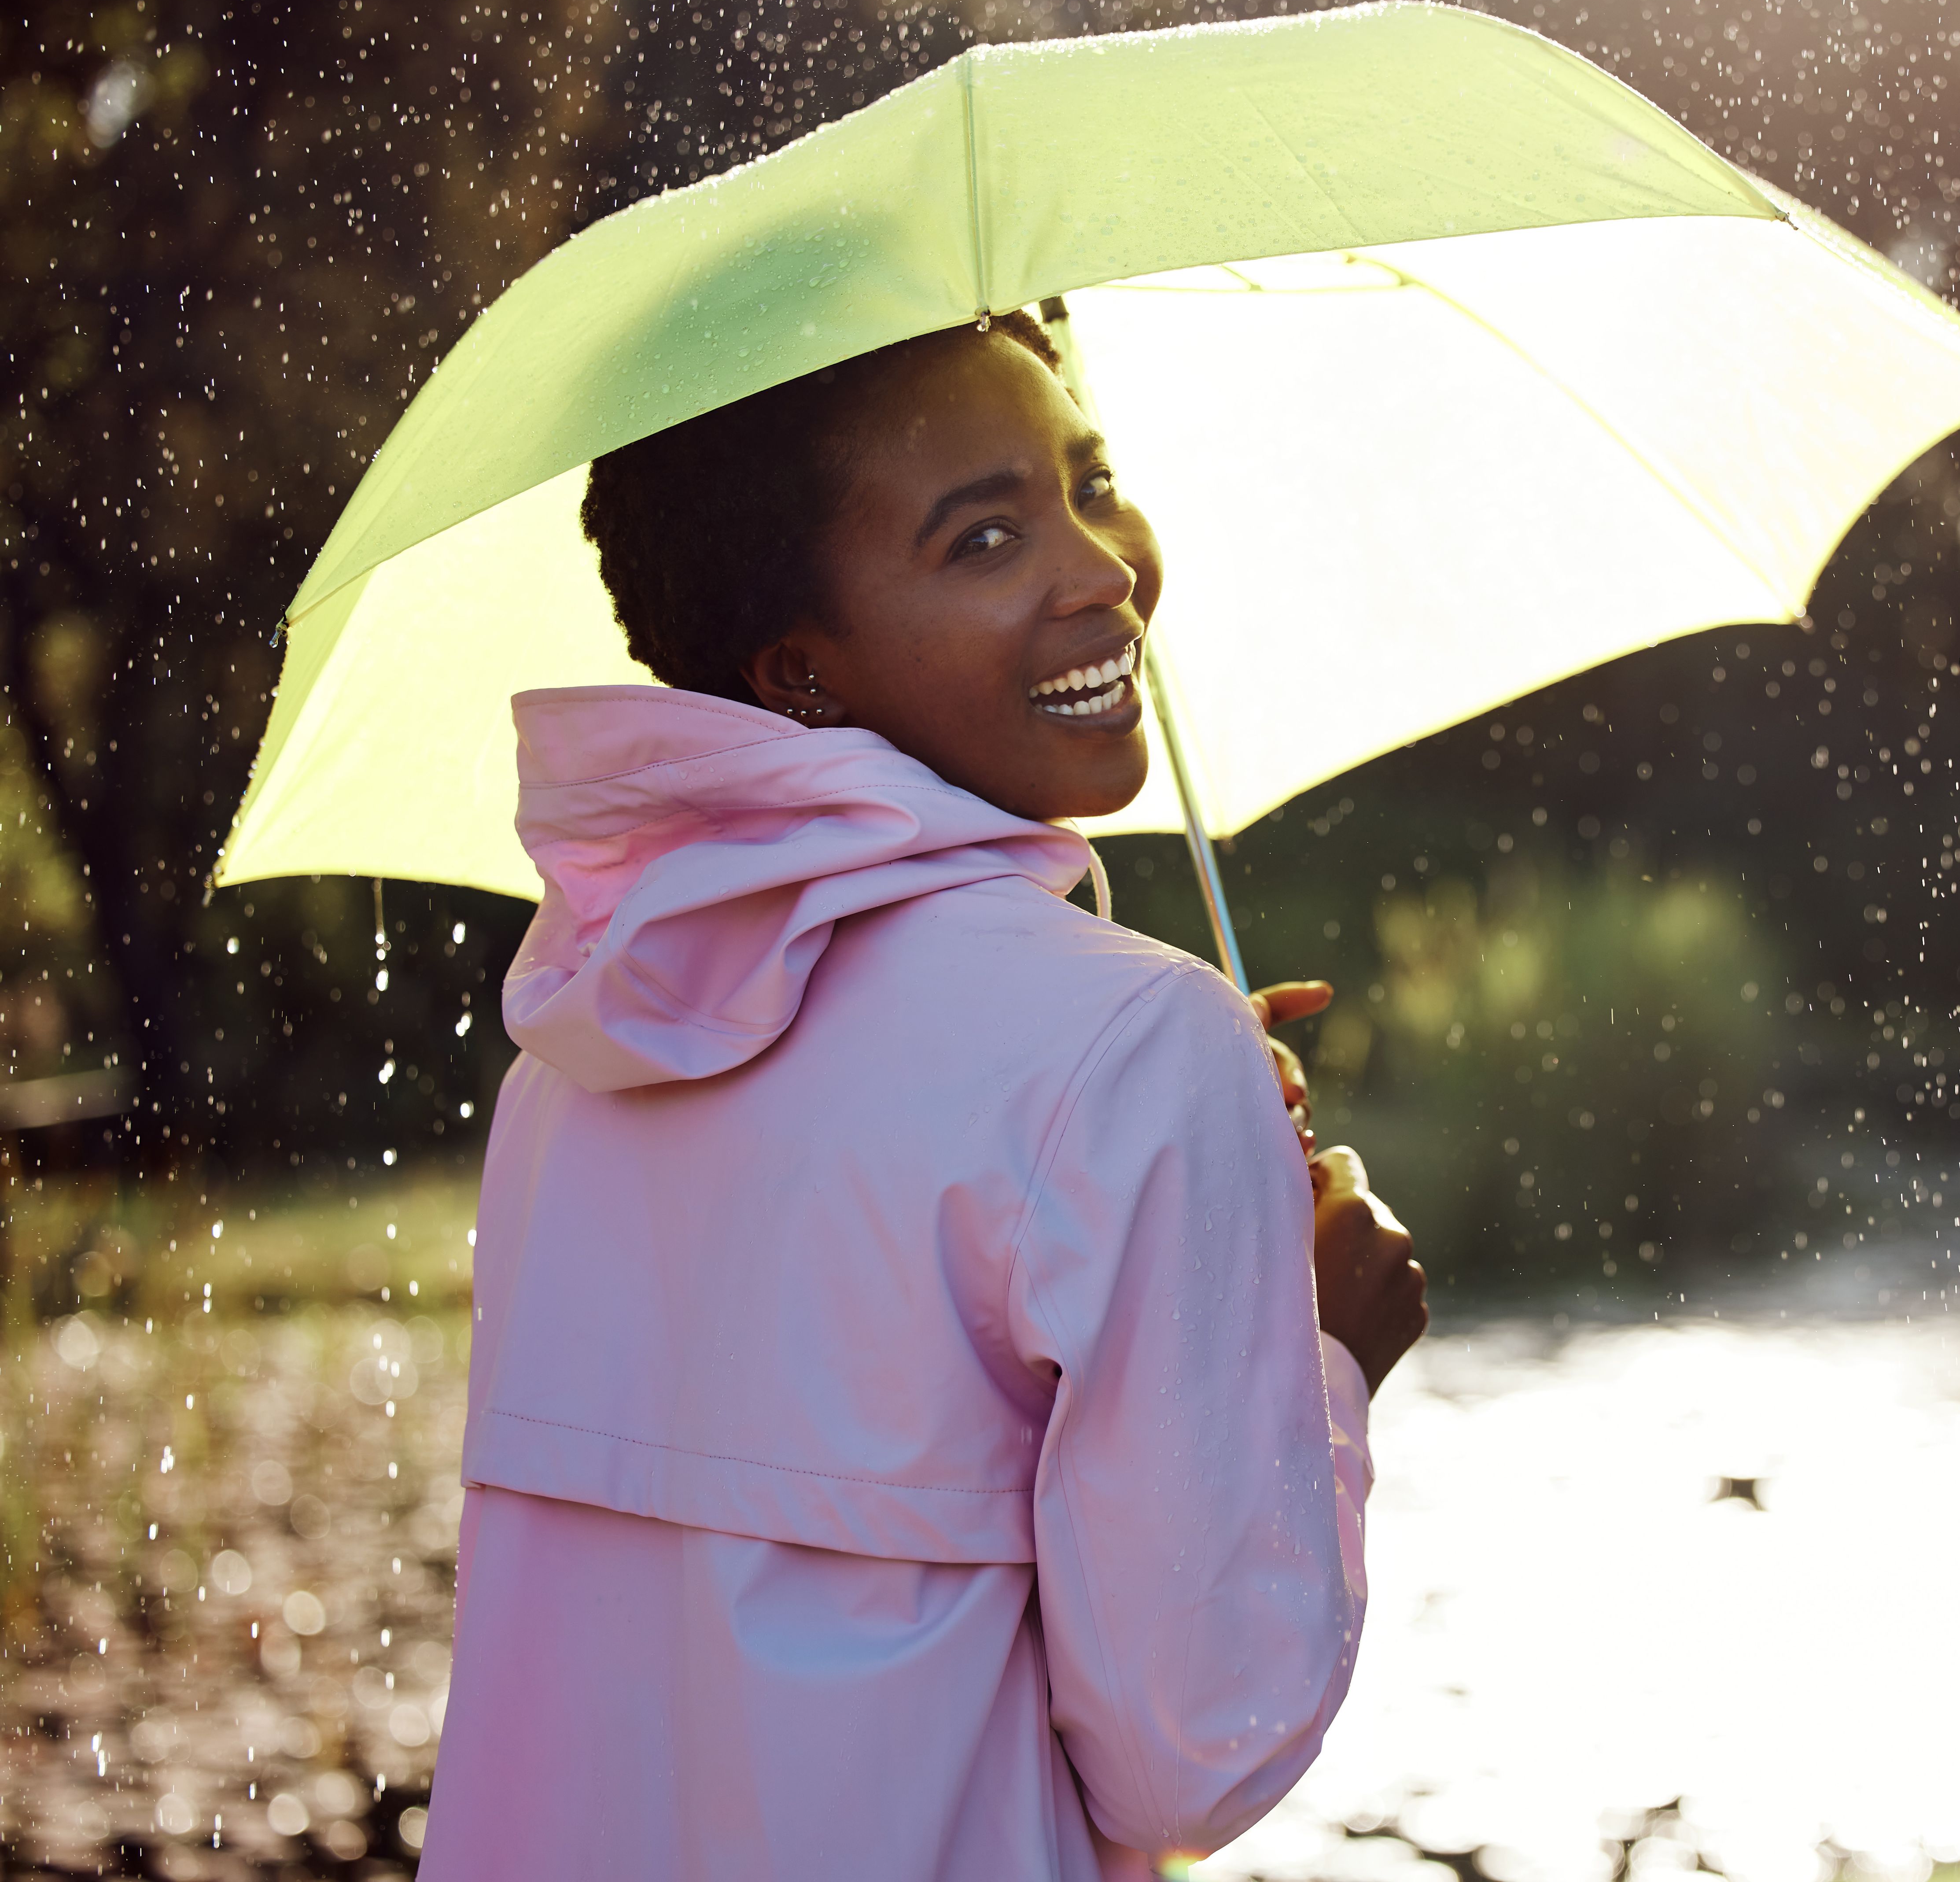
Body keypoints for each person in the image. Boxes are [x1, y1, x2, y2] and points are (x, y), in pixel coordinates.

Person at [418, 310, 1428, 1880]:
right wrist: (1324, 1359)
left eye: (1091, 481)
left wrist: (1184, 1137)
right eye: (987, 538)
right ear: (801, 672)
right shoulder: (1135, 1049)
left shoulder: (572, 1062)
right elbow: (1188, 1753)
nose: (1100, 567)